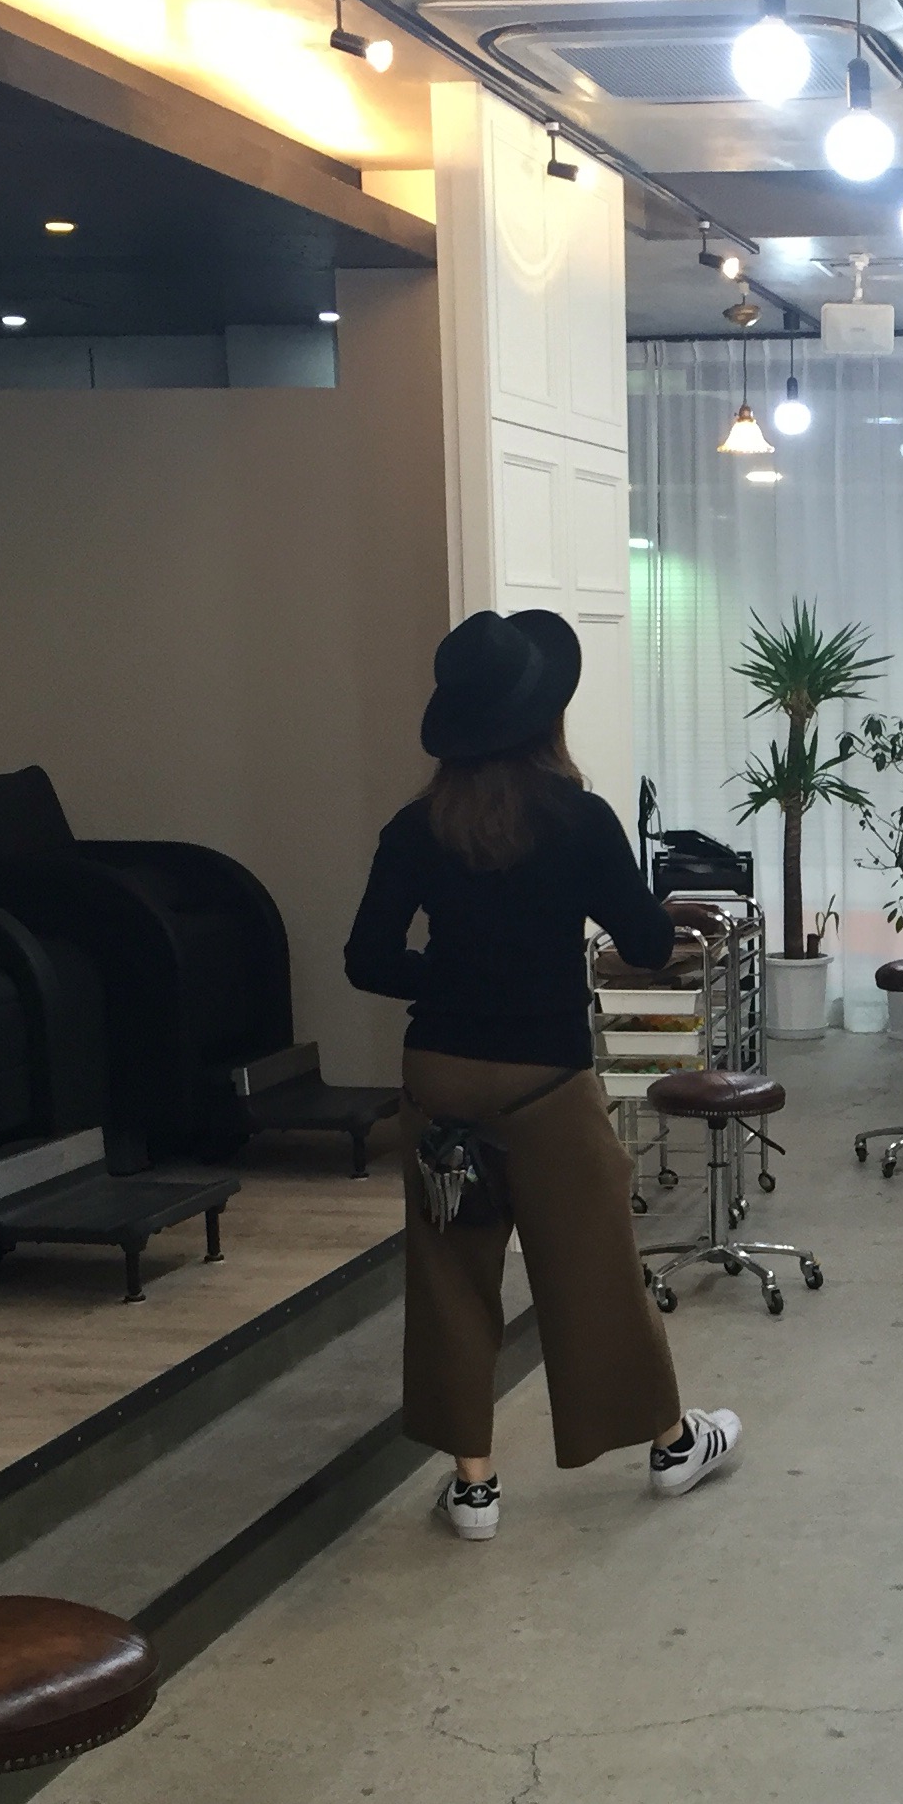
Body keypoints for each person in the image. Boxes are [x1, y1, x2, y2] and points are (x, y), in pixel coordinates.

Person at [346, 609, 740, 1539]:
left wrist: (448, 977)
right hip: (544, 1082)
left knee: (450, 1276)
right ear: (542, 718)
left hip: (440, 1077)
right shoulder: (579, 820)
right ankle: (672, 1446)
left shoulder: (414, 827)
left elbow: (367, 960)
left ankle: (474, 1488)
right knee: (593, 1267)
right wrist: (653, 917)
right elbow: (646, 944)